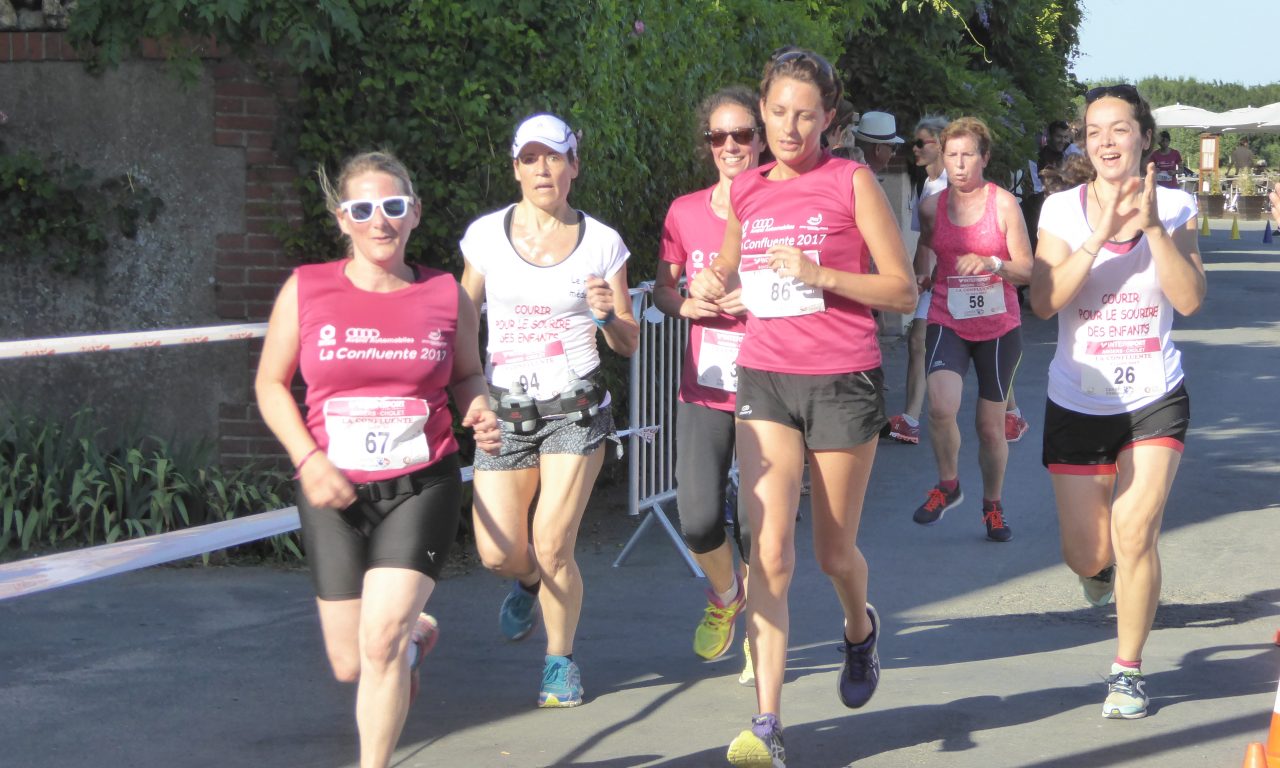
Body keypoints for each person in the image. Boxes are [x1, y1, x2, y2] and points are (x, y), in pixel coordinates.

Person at [689, 48, 917, 767]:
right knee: (772, 554)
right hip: (765, 378)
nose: (790, 127)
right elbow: (731, 263)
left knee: (831, 552)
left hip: (843, 380)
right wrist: (709, 283)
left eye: (806, 115)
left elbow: (903, 291)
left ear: (829, 118)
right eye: (779, 112)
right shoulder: (748, 190)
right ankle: (767, 725)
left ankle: (859, 629)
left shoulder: (851, 182)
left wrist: (820, 273)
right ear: (763, 111)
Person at [255, 151, 502, 768]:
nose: (379, 221)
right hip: (333, 489)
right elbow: (268, 384)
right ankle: (415, 636)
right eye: (363, 209)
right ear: (343, 218)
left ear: (414, 213)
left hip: (420, 484)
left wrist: (481, 408)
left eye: (393, 207)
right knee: (350, 661)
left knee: (380, 641)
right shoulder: (307, 287)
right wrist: (308, 458)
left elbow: (469, 376)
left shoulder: (446, 295)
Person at [1030, 84, 1205, 720]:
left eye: (1119, 129)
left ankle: (1127, 671)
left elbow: (1187, 300)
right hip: (1078, 397)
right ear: (1084, 141)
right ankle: (1099, 576)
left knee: (1135, 535)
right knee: (1090, 552)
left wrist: (1153, 226)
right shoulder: (1059, 211)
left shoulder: (1179, 206)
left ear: (1144, 139)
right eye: (1094, 131)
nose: (1105, 141)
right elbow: (1044, 301)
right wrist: (1098, 232)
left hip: (1154, 394)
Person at [459, 113, 639, 709]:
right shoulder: (485, 236)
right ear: (515, 168)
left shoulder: (603, 242)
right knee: (496, 551)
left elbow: (629, 342)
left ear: (573, 167)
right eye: (531, 158)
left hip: (575, 410)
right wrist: (471, 393)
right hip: (507, 409)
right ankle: (528, 583)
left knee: (553, 540)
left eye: (554, 157)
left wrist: (608, 314)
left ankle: (559, 662)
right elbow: (465, 319)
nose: (543, 169)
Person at [653, 86, 760, 683]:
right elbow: (664, 286)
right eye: (717, 137)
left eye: (741, 135)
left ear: (759, 140)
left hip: (770, 381)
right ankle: (726, 594)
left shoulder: (781, 205)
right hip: (705, 384)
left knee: (755, 521)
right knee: (697, 518)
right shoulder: (684, 211)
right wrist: (684, 303)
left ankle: (761, 636)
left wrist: (762, 297)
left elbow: (815, 284)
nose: (729, 147)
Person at [911, 117, 1033, 542]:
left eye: (967, 155)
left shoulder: (1003, 205)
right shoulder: (931, 206)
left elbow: (1027, 270)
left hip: (999, 327)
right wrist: (922, 275)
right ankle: (948, 486)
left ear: (985, 158)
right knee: (941, 407)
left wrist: (991, 263)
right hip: (948, 318)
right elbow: (928, 244)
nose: (959, 164)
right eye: (951, 155)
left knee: (988, 427)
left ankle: (993, 505)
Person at [884, 115, 949, 445]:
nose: (915, 149)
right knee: (918, 343)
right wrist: (914, 276)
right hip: (932, 280)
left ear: (940, 145)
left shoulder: (950, 184)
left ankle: (1010, 412)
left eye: (921, 142)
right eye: (914, 142)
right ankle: (909, 418)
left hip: (952, 279)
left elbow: (950, 238)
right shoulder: (927, 184)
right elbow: (925, 240)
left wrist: (933, 276)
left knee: (980, 344)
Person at [851, 110, 905, 174]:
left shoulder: (845, 171)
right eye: (893, 148)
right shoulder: (866, 181)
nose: (893, 154)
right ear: (878, 149)